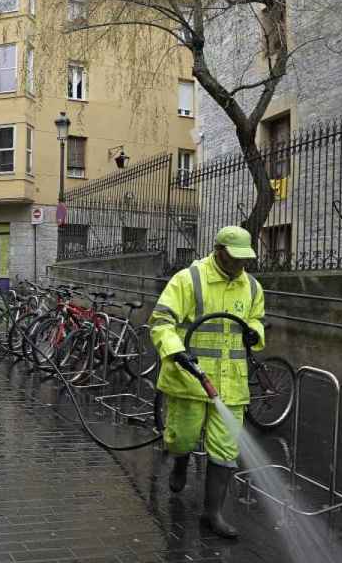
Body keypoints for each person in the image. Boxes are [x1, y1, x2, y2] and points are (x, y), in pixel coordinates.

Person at [147, 225, 266, 539]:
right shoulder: (188, 280)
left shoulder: (252, 287)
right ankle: (180, 462)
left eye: (245, 259)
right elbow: (161, 322)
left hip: (231, 385)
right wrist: (176, 351)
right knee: (181, 438)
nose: (241, 265)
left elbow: (256, 318)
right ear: (218, 252)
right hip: (191, 380)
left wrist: (255, 333)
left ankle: (212, 514)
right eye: (235, 258)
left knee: (226, 451)